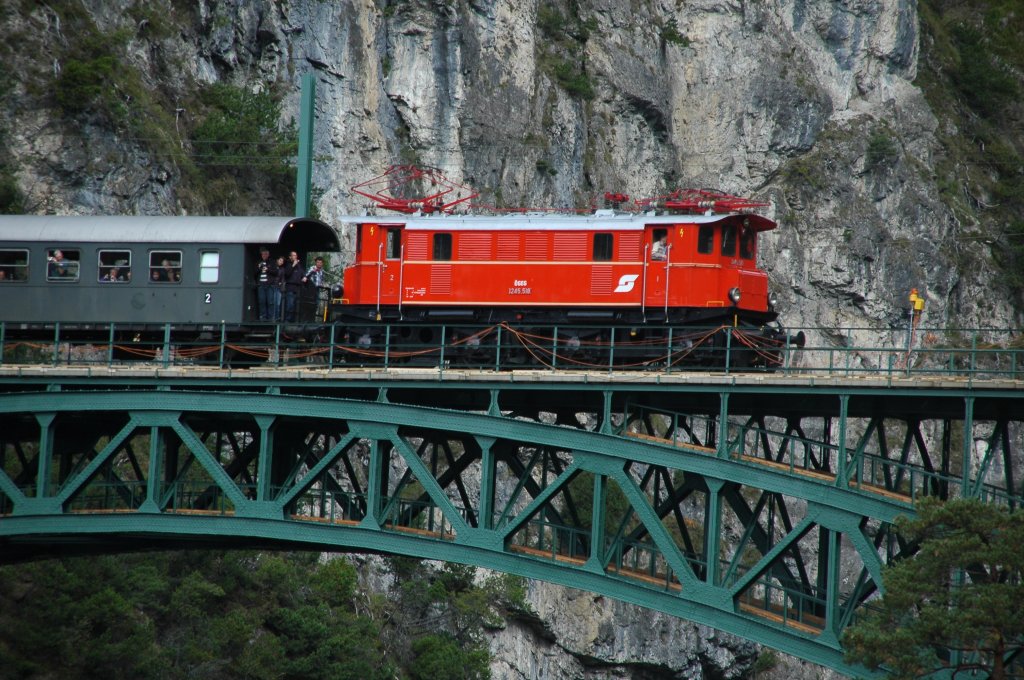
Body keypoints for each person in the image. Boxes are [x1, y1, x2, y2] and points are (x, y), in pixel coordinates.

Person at [255, 247, 279, 321]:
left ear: (268, 254)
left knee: (270, 302)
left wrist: (268, 270)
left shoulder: (272, 262)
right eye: (263, 254)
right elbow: (254, 273)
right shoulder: (258, 262)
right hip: (261, 285)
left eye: (265, 254)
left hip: (270, 285)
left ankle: (270, 317)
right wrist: (259, 268)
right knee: (262, 301)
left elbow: (276, 272)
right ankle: (263, 317)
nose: (264, 255)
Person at [303, 256, 328, 321]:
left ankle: (312, 318)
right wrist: (313, 271)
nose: (319, 264)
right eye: (318, 262)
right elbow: (306, 276)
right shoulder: (312, 268)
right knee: (310, 303)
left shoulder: (322, 271)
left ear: (322, 263)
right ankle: (307, 319)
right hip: (311, 289)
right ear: (316, 263)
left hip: (317, 289)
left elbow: (321, 280)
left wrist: (323, 285)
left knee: (316, 303)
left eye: (320, 263)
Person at [282, 251, 305, 322]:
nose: (295, 257)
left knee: (295, 305)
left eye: (296, 255)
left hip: (297, 287)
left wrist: (304, 277)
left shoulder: (299, 265)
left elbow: (302, 273)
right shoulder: (288, 264)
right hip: (290, 287)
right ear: (290, 257)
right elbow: (287, 274)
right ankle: (287, 320)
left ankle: (294, 320)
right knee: (290, 305)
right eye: (294, 255)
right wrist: (293, 265)